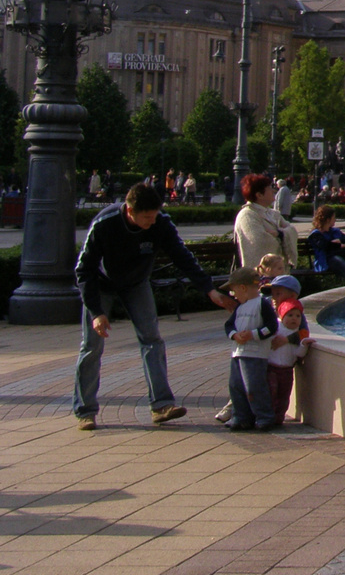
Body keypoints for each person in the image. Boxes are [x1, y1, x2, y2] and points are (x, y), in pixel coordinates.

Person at [71, 183, 234, 431]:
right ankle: (85, 410)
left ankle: (161, 405)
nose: (151, 222)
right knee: (92, 346)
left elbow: (181, 256)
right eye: (146, 217)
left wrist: (209, 289)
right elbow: (83, 270)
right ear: (129, 211)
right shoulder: (105, 224)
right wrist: (96, 313)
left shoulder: (161, 222)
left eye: (154, 216)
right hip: (101, 284)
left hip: (136, 283)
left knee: (152, 339)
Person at [222, 267, 280, 431]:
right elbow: (229, 326)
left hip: (255, 354)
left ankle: (264, 416)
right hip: (238, 352)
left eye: (234, 291)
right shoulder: (240, 308)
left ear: (243, 288)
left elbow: (271, 326)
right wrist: (234, 335)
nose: (233, 295)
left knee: (254, 386)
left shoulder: (261, 304)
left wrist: (254, 334)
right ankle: (241, 416)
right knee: (236, 386)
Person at [234, 173, 297, 272]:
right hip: (260, 274)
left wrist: (279, 234)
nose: (273, 191)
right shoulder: (247, 215)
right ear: (259, 195)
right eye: (269, 189)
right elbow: (260, 242)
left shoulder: (274, 214)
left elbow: (292, 230)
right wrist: (283, 237)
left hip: (280, 271)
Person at [267, 295, 312, 422]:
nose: (294, 319)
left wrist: (304, 345)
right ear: (282, 316)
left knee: (284, 395)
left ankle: (278, 417)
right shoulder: (276, 329)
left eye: (298, 316)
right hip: (272, 368)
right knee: (271, 391)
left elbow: (299, 353)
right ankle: (268, 415)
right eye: (290, 315)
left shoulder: (299, 334)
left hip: (287, 370)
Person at [307, 206, 345, 284]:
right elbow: (324, 246)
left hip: (343, 255)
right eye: (333, 217)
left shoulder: (334, 231)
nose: (335, 220)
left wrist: (340, 240)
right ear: (328, 219)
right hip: (328, 259)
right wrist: (338, 245)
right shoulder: (316, 234)